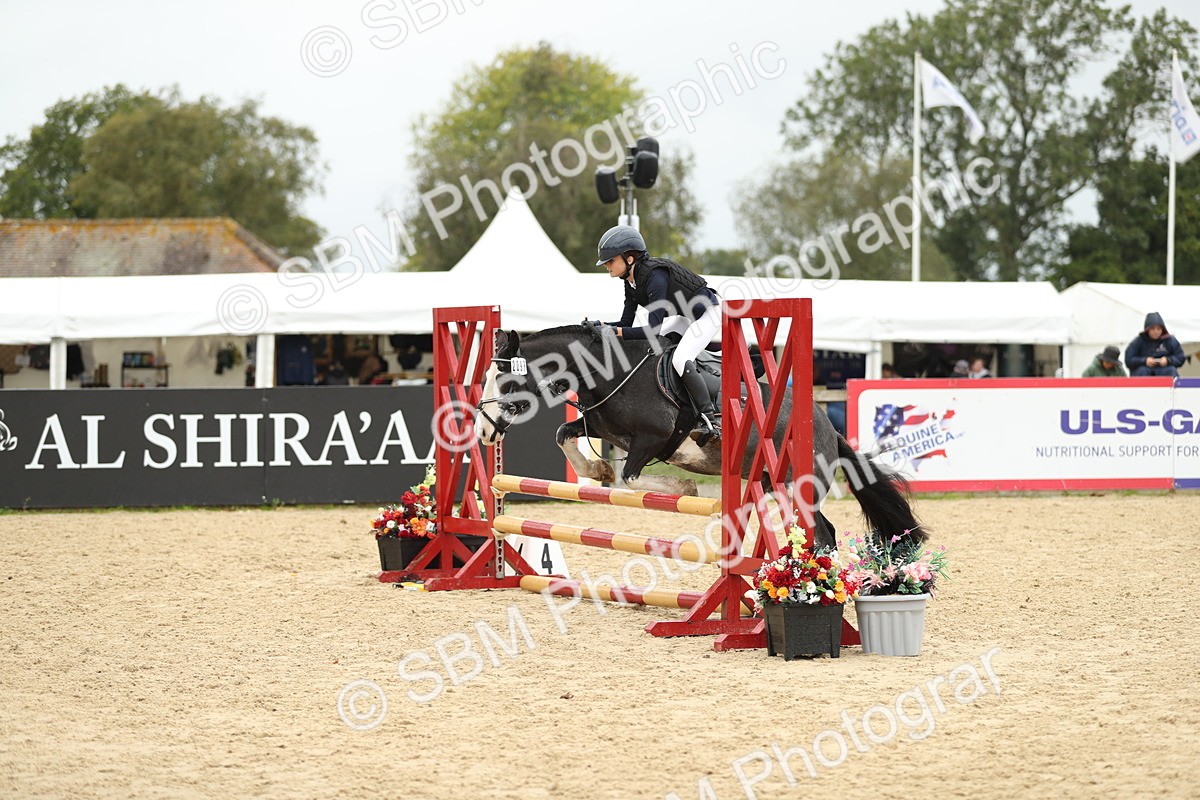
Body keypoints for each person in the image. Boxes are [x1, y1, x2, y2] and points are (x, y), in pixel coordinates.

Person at [589, 225, 722, 444]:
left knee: (681, 359)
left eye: (610, 261)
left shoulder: (655, 276)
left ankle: (709, 420)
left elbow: (652, 330)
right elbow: (625, 323)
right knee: (648, 350)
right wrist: (601, 325)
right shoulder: (630, 282)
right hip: (687, 318)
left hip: (711, 314)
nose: (606, 266)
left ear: (629, 258)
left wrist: (613, 331)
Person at [1124, 312, 1184, 377]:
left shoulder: (1170, 340)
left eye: (1159, 329)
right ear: (1147, 329)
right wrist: (1144, 361)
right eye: (1152, 328)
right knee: (1141, 371)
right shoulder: (1138, 341)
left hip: (1165, 371)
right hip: (1143, 372)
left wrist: (1168, 360)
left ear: (1162, 329)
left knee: (1171, 370)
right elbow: (1129, 360)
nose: (1156, 332)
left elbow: (1180, 357)